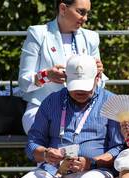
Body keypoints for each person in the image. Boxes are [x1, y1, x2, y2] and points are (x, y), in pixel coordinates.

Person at [8, 55, 123, 178]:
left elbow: (117, 149)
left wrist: (91, 162)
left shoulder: (111, 102)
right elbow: (32, 143)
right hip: (55, 170)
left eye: (85, 86)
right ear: (66, 79)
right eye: (75, 86)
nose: (80, 91)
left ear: (98, 77)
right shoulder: (51, 101)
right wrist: (45, 153)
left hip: (94, 170)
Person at [18, 0, 106, 134]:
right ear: (63, 9)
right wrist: (46, 76)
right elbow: (24, 82)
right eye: (81, 12)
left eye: (87, 13)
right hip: (42, 108)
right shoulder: (38, 34)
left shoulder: (91, 38)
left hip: (82, 110)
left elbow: (100, 84)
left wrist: (97, 74)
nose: (86, 18)